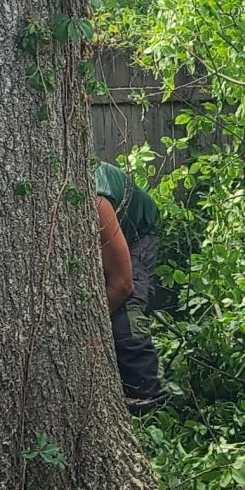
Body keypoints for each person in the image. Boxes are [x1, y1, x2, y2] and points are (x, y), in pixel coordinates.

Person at [95, 158, 167, 411]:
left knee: (127, 313)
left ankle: (149, 400)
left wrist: (93, 324)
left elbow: (123, 285)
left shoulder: (96, 200)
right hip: (108, 224)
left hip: (137, 232)